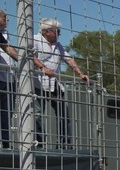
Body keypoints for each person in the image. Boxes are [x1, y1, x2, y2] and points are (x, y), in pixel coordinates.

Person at [32, 18, 88, 148]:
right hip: (38, 83)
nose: (59, 34)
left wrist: (80, 73)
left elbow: (68, 59)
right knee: (37, 115)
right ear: (47, 31)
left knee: (63, 114)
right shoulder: (35, 40)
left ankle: (65, 144)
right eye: (57, 31)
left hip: (55, 84)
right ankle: (39, 143)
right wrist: (43, 68)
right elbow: (31, 56)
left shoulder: (58, 45)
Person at [0, 10, 26, 149]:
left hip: (9, 79)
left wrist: (25, 62)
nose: (7, 21)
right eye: (4, 18)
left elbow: (8, 48)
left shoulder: (5, 34)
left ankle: (6, 143)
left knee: (7, 113)